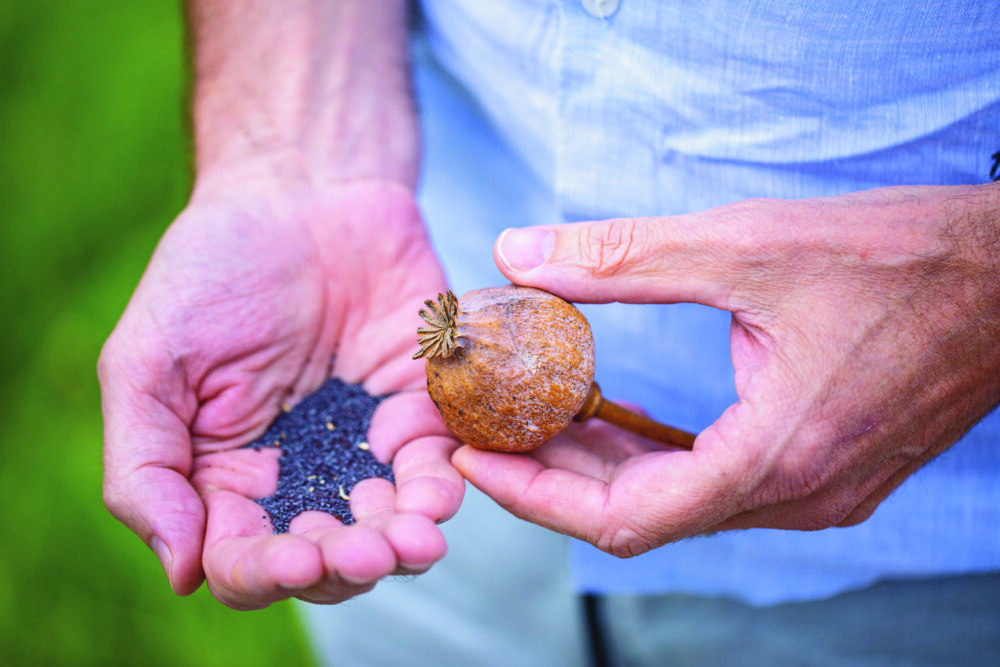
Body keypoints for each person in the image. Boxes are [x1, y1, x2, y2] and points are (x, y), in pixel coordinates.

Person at [99, 0, 1000, 663]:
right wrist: (286, 162)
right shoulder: (436, 358)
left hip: (917, 555)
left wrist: (981, 285)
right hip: (413, 411)